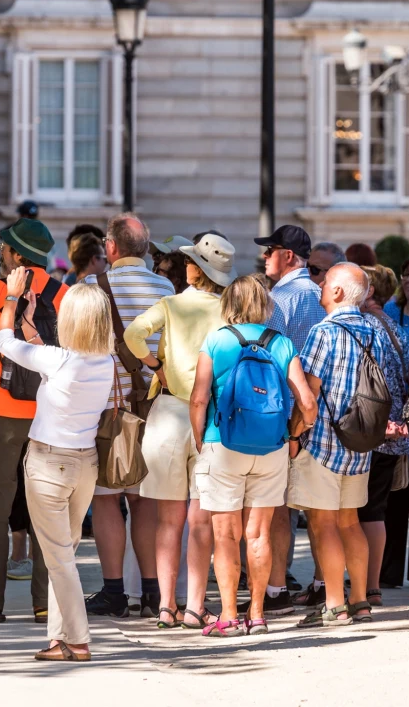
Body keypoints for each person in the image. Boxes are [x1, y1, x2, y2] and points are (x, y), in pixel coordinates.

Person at [188, 274, 318, 637]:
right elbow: (308, 405)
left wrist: (201, 439)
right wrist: (292, 436)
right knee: (258, 534)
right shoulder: (282, 344)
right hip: (271, 447)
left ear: (229, 304)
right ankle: (258, 614)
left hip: (222, 443)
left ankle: (229, 615)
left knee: (225, 536)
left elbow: (199, 397)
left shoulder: (216, 340)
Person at [0, 272, 113, 662]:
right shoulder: (103, 361)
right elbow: (46, 356)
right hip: (84, 466)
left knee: (59, 559)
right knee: (65, 553)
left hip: (49, 464)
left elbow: (2, 341)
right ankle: (58, 638)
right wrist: (29, 316)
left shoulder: (61, 360)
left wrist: (10, 300)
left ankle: (77, 641)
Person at [125, 233, 236, 630]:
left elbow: (132, 334)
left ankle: (165, 607)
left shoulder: (170, 304)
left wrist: (155, 366)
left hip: (169, 412)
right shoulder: (228, 309)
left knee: (167, 521)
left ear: (194, 269)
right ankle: (193, 606)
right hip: (211, 418)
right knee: (200, 520)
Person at [0, 218, 67, 624]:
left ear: (17, 253)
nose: (1, 252)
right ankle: (45, 604)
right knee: (48, 508)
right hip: (49, 415)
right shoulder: (64, 293)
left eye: (5, 247)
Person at [82, 214, 173, 619]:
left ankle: (114, 590)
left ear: (112, 248)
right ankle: (152, 590)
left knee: (106, 500)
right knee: (145, 502)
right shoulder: (166, 287)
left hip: (108, 409)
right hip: (155, 408)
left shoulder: (90, 288)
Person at [289, 263, 383, 628]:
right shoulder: (372, 329)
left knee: (324, 523)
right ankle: (359, 600)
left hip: (324, 440)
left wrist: (296, 435)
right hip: (359, 439)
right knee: (350, 522)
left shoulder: (323, 331)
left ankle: (333, 604)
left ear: (339, 292)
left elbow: (308, 395)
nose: (320, 287)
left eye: (325, 283)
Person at [255, 224, 326, 612]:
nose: (265, 257)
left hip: (288, 410)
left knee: (278, 503)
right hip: (324, 409)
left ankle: (277, 588)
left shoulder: (279, 298)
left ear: (287, 256)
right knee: (319, 505)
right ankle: (321, 581)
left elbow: (268, 357)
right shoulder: (319, 293)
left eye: (270, 250)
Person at [359, 265, 409, 607]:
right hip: (393, 432)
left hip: (361, 430)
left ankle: (352, 583)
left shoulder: (362, 327)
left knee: (350, 511)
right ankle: (373, 584)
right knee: (375, 511)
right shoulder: (396, 329)